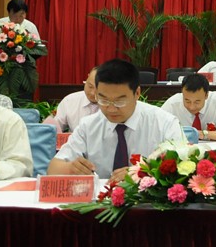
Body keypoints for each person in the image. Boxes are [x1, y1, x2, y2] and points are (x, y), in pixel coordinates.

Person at [48, 59, 185, 181]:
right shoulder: (88, 125)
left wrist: (143, 172)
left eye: (120, 101)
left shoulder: (164, 123)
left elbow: (184, 168)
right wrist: (70, 168)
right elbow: (53, 169)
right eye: (103, 100)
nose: (111, 108)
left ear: (137, 93)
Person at [161, 74, 216, 141]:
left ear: (206, 95)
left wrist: (203, 134)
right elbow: (157, 130)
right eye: (187, 101)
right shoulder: (173, 103)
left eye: (197, 102)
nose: (192, 107)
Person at [44, 67, 100, 132]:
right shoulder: (70, 101)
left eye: (98, 89)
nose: (92, 93)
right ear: (87, 77)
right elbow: (55, 127)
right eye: (90, 86)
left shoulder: (109, 105)